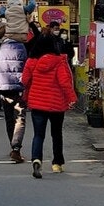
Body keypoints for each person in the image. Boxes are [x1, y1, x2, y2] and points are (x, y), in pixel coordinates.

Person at [22, 34, 77, 177]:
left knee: (38, 135)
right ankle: (57, 163)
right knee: (56, 134)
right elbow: (64, 82)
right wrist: (72, 98)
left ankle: (36, 160)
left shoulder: (31, 61)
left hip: (37, 103)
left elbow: (24, 81)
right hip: (56, 104)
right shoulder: (59, 62)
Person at [0, 0, 29, 163]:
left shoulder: (2, 46)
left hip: (3, 86)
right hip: (19, 88)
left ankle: (12, 146)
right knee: (20, 117)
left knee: (9, 117)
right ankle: (16, 148)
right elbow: (25, 69)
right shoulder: (22, 46)